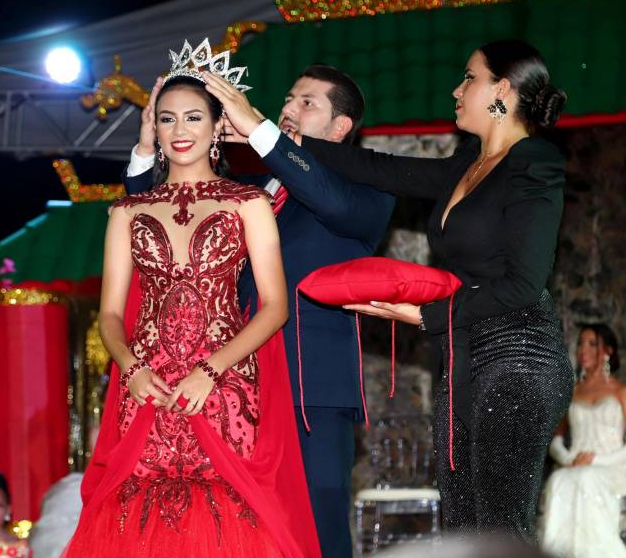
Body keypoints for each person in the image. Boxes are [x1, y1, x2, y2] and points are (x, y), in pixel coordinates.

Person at [207, 39, 574, 541]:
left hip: (520, 357)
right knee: (464, 527)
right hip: (461, 357)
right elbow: (370, 166)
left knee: (500, 528)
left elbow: (524, 284)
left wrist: (425, 316)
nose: (456, 89)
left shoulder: (535, 161)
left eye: (469, 78)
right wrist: (257, 133)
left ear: (502, 91)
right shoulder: (460, 169)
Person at [125, 60, 395, 557]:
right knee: (244, 526)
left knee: (318, 523)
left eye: (306, 103)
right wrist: (149, 144)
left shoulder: (368, 190)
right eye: (288, 99)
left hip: (309, 387)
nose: (288, 109)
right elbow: (155, 227)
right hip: (232, 386)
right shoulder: (252, 188)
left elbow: (326, 198)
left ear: (341, 127)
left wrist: (257, 132)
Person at [63, 40, 320, 557]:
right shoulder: (126, 213)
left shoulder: (249, 203)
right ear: (153, 130)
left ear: (216, 126)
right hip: (147, 386)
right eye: (167, 119)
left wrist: (212, 369)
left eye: (193, 117)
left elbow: (275, 306)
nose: (180, 131)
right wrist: (131, 369)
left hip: (223, 386)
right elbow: (110, 315)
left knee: (231, 521)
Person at [541, 324, 626, 557]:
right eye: (580, 343)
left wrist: (597, 458)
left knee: (588, 478)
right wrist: (569, 459)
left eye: (592, 344)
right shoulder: (572, 392)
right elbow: (556, 440)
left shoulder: (620, 392)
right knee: (559, 479)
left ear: (607, 351)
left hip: (613, 464)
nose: (583, 350)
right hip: (576, 465)